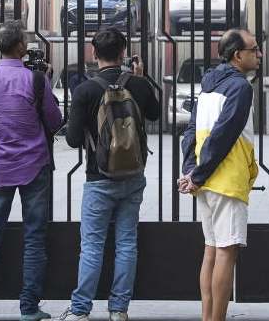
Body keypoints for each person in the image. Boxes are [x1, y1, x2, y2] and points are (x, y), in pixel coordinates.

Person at [60, 28, 159, 321]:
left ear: (94, 54)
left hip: (99, 177)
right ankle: (119, 309)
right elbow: (154, 115)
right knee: (126, 242)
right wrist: (141, 76)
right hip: (133, 176)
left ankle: (80, 310)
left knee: (91, 245)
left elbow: (73, 140)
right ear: (124, 53)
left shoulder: (86, 90)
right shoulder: (138, 85)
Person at [0, 21, 63, 321]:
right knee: (34, 237)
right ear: (22, 47)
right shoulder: (36, 80)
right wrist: (46, 81)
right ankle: (29, 308)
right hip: (34, 164)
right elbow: (54, 121)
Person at [179, 28, 260, 321]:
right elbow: (225, 133)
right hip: (226, 179)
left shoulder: (208, 86)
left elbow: (190, 132)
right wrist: (196, 175)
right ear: (238, 55)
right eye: (254, 49)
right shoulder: (240, 88)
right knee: (226, 252)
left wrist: (191, 171)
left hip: (206, 180)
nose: (259, 54)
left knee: (211, 250)